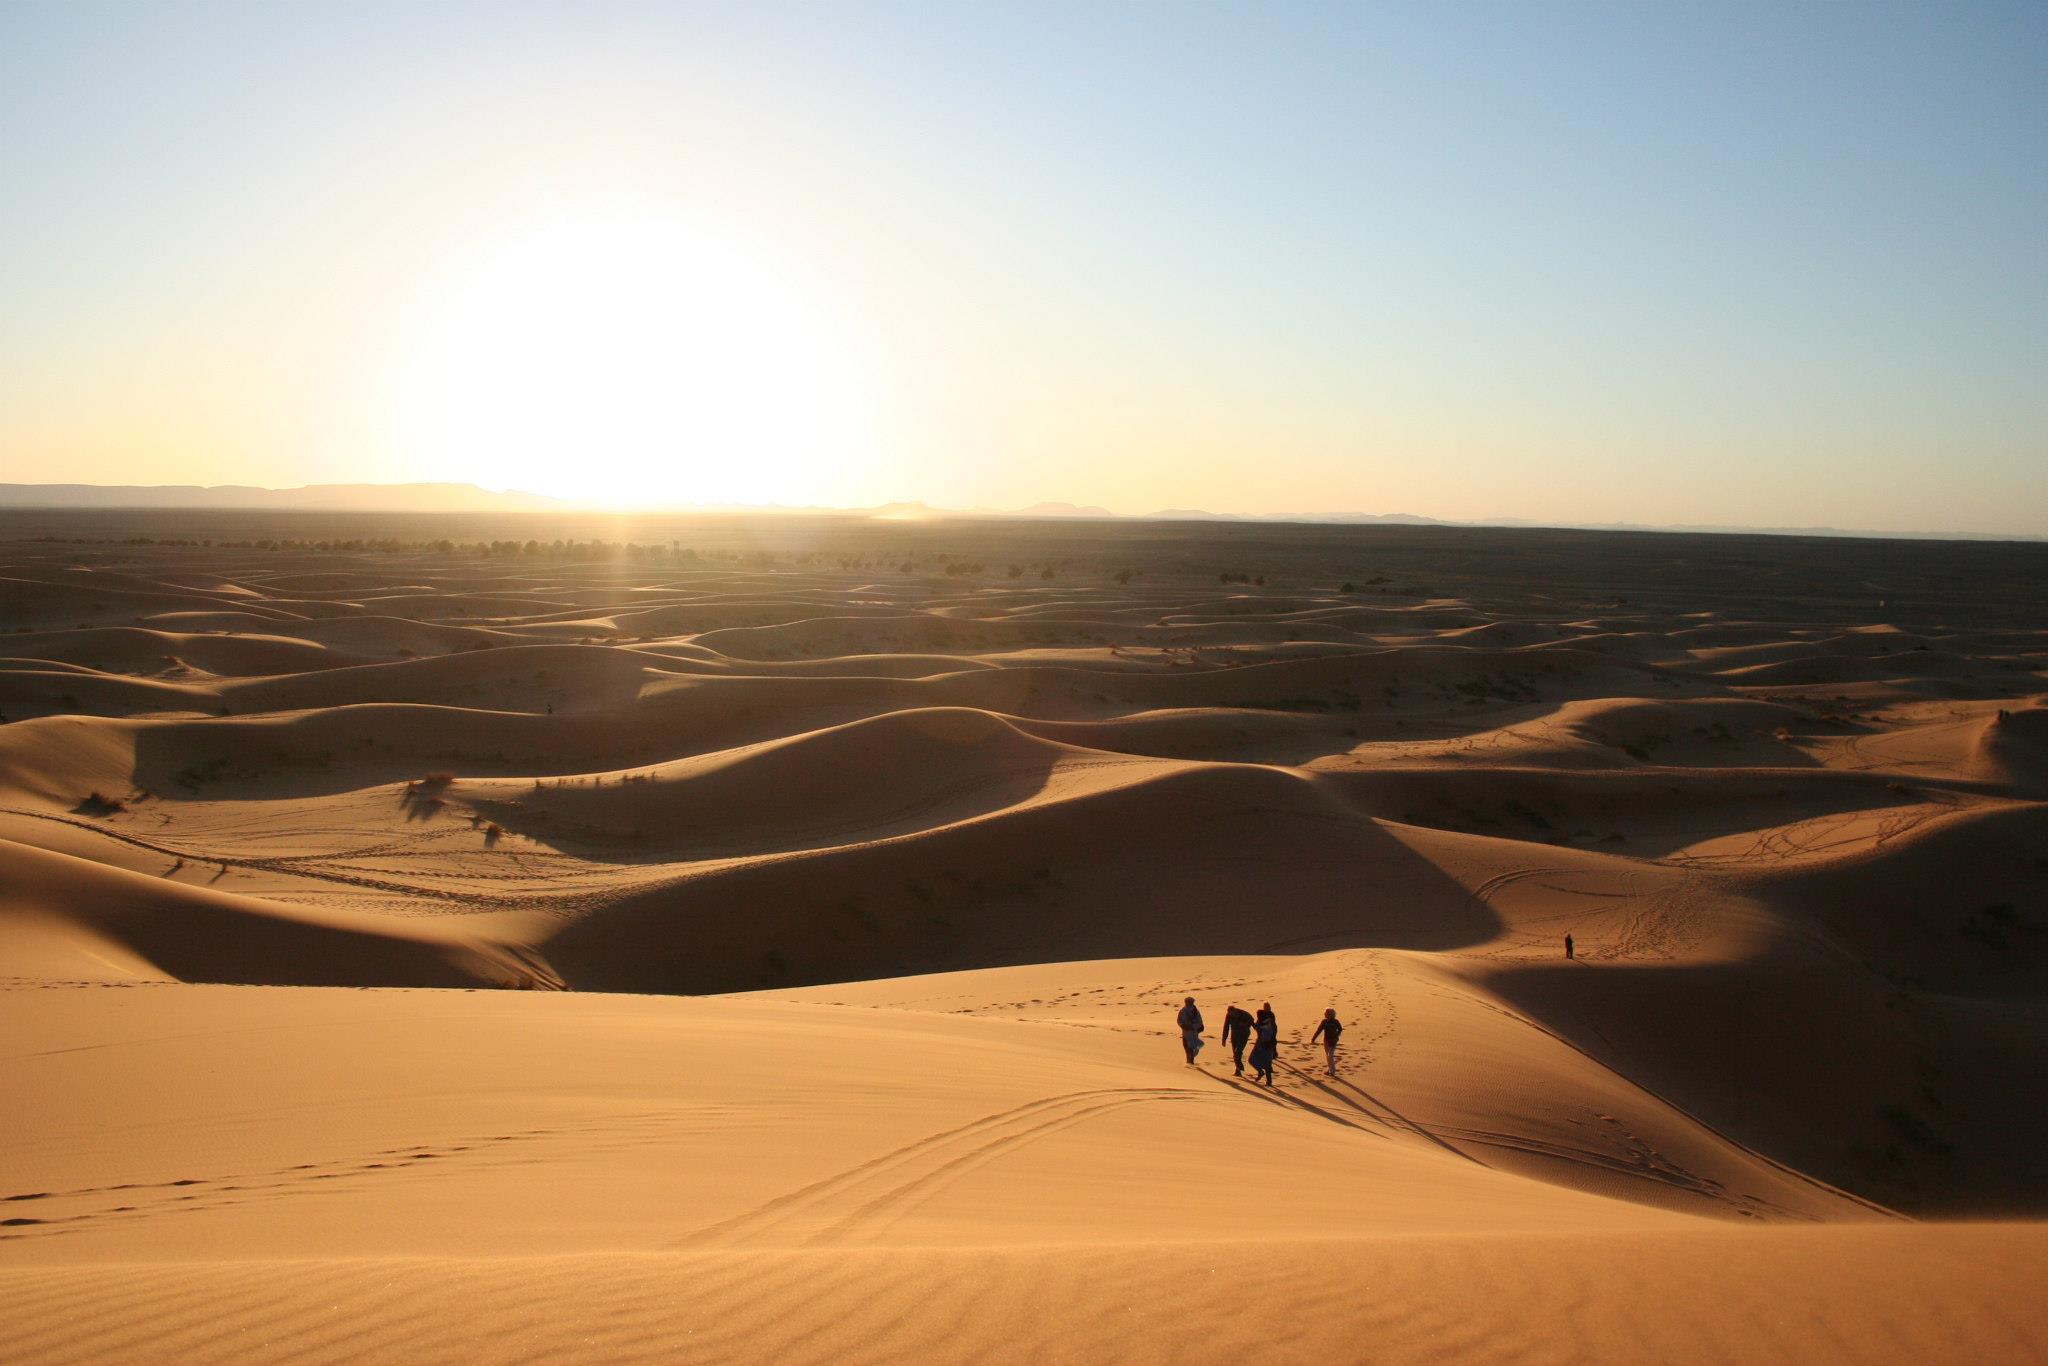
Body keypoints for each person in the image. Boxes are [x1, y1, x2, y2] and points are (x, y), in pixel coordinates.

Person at [1220, 1003, 1255, 1076]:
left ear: (1234, 1011)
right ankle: (1238, 1071)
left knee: (1237, 1052)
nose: (1231, 1015)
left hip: (1243, 1035)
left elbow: (1251, 1020)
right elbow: (1226, 1027)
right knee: (1235, 1054)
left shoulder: (1243, 1013)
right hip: (1234, 1036)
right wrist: (1224, 1039)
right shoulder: (1228, 1015)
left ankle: (1240, 1067)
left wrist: (1245, 1024)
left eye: (1232, 1014)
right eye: (1229, 1014)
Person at [1248, 1004, 1278, 1085]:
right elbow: (1259, 1029)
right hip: (1262, 1043)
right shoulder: (1264, 1020)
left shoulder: (1269, 1021)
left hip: (1266, 1044)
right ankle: (1262, 1074)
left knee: (1264, 1062)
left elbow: (1269, 1033)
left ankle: (1268, 1081)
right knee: (1253, 1060)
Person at [1308, 1008, 1342, 1076]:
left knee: (1330, 1056)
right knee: (1328, 1056)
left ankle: (1332, 1072)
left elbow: (1340, 1029)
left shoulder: (1335, 1021)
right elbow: (1319, 1030)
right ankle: (1330, 1070)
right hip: (1326, 1040)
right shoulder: (1324, 1021)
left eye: (1325, 1013)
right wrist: (1313, 1038)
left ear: (1329, 1014)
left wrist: (1336, 1036)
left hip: (1333, 1041)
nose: (1324, 1014)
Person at [1176, 997, 1205, 1066]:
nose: (1187, 1003)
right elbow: (1179, 1020)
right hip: (1185, 1033)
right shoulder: (1182, 1011)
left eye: (1189, 1002)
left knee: (1190, 1048)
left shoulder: (1195, 1011)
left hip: (1193, 1033)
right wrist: (1183, 1026)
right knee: (1186, 1046)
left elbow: (1200, 1022)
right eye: (1187, 1001)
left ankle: (1190, 1062)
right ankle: (1189, 1061)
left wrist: (1193, 1027)